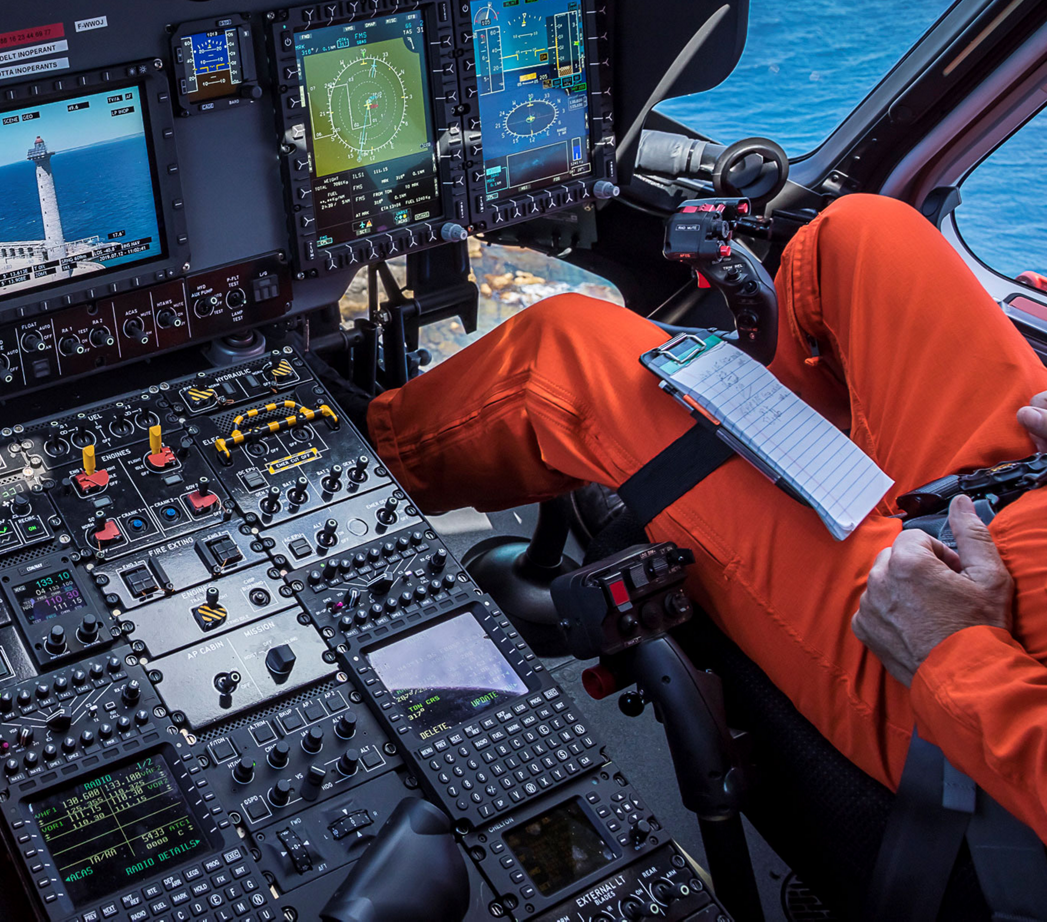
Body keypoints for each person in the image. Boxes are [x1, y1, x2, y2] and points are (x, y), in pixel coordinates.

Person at [365, 193, 1046, 842]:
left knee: (563, 355)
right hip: (1016, 506)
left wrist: (953, 651)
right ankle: (749, 455)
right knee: (862, 235)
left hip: (979, 657)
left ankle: (364, 462)